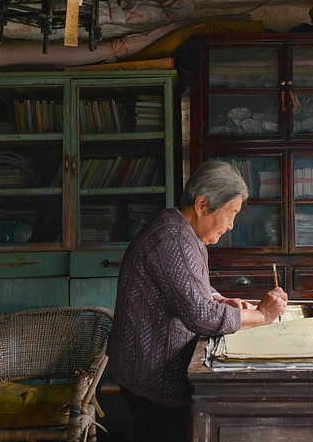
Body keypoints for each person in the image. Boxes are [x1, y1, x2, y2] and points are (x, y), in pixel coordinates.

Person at [107, 160, 288, 442]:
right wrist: (263, 315)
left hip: (149, 364)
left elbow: (189, 289)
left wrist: (220, 299)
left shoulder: (181, 231)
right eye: (230, 213)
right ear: (203, 205)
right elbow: (201, 316)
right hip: (151, 371)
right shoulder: (173, 238)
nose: (231, 225)